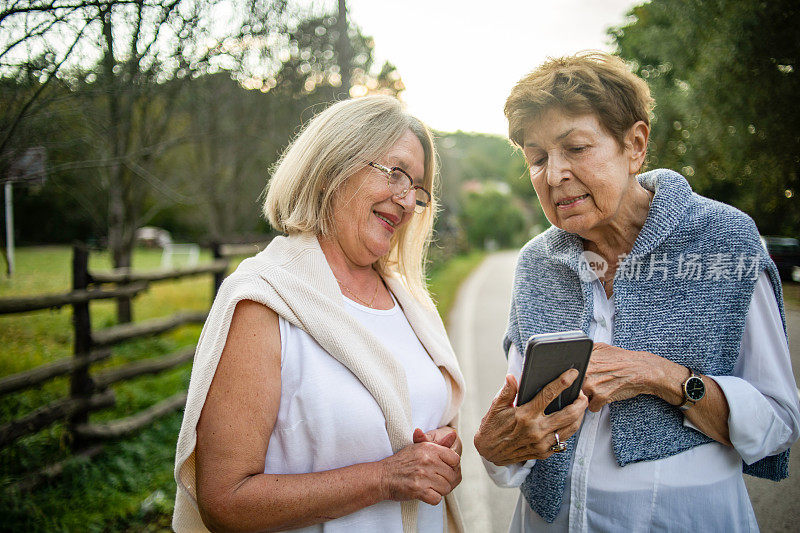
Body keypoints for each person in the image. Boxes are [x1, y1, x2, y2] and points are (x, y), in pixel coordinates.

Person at [474, 51, 800, 531]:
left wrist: (658, 375)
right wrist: (498, 448)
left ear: (635, 145)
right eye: (537, 158)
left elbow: (778, 422)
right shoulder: (535, 264)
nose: (553, 174)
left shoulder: (724, 240)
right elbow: (522, 422)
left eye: (576, 148)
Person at [172, 96, 466, 532]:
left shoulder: (410, 302)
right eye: (396, 174)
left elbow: (420, 429)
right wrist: (384, 479)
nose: (407, 201)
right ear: (334, 167)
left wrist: (440, 455)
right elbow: (225, 500)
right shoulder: (263, 302)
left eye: (418, 189)